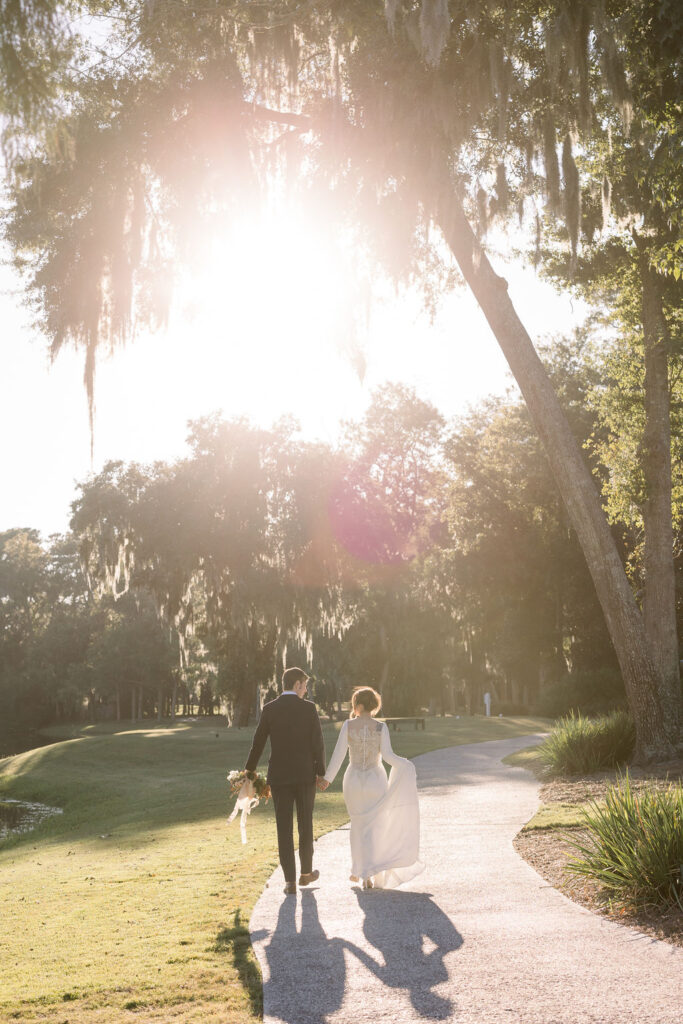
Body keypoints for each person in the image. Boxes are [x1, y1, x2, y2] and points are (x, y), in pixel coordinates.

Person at [318, 686, 424, 890]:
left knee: (358, 826)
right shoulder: (379, 727)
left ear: (358, 706)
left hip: (354, 781)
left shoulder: (348, 726)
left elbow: (338, 755)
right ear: (372, 705)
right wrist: (406, 764)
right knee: (376, 827)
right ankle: (374, 873)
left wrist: (327, 779)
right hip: (376, 779)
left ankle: (361, 873)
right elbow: (389, 756)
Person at [244, 666, 326, 895]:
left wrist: (249, 770)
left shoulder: (270, 709)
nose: (306, 690)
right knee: (305, 823)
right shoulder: (309, 709)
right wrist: (320, 772)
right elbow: (317, 743)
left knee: (283, 827)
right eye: (305, 686)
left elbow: (258, 742)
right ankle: (306, 873)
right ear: (297, 684)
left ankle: (289, 881)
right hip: (304, 776)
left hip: (279, 777)